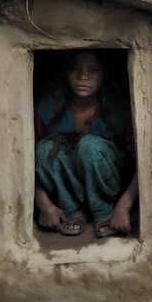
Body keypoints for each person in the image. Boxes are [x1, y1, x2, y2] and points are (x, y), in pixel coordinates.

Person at [33, 50, 137, 238]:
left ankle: (103, 213)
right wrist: (44, 205)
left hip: (109, 188)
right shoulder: (49, 106)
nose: (83, 76)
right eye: (76, 69)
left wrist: (124, 206)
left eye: (93, 70)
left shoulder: (117, 111)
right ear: (66, 72)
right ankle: (71, 211)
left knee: (89, 146)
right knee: (44, 150)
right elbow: (22, 160)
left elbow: (144, 164)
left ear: (105, 75)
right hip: (64, 191)